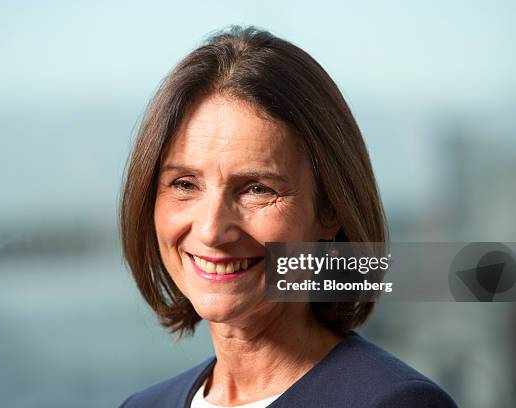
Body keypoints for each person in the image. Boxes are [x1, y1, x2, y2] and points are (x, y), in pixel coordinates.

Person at [119, 26, 457, 408]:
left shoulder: (394, 402)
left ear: (329, 210)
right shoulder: (143, 405)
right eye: (184, 184)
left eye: (257, 189)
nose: (212, 229)